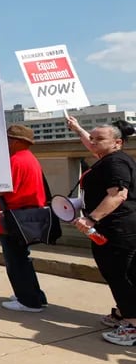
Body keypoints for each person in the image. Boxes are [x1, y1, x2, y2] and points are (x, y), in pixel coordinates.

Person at [66, 115, 136, 346]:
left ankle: (132, 325)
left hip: (118, 229)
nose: (93, 142)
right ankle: (124, 312)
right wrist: (77, 129)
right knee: (122, 273)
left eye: (99, 139)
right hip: (117, 228)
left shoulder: (114, 162)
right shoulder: (109, 157)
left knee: (120, 274)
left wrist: (91, 218)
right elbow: (92, 144)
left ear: (117, 142)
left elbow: (118, 194)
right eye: (92, 138)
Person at [0, 125, 49, 312]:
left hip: (14, 218)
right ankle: (34, 295)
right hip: (23, 217)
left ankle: (28, 300)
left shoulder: (16, 160)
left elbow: (4, 188)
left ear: (16, 141)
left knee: (15, 261)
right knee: (22, 259)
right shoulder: (28, 158)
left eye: (8, 139)